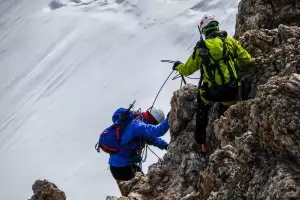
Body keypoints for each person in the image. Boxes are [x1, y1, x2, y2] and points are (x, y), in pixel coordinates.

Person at [172, 14, 252, 152]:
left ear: (203, 30)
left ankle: (201, 143)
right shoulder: (229, 41)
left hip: (211, 93)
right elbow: (247, 59)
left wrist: (177, 66)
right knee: (225, 109)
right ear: (216, 26)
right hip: (232, 91)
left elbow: (187, 70)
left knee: (201, 106)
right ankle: (226, 137)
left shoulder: (201, 47)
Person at [108, 107, 169, 183]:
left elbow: (151, 138)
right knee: (140, 185)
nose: (154, 124)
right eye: (155, 123)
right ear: (153, 120)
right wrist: (169, 119)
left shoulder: (137, 121)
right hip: (122, 167)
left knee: (138, 184)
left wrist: (165, 146)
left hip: (118, 165)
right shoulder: (137, 125)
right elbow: (158, 131)